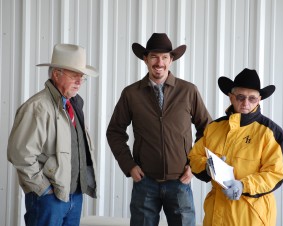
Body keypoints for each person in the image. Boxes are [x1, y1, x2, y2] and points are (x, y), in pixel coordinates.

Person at [106, 33, 212, 226]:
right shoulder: (131, 93)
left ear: (171, 60)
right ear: (145, 59)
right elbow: (114, 131)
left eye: (164, 57)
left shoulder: (188, 91)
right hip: (145, 182)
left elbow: (208, 131)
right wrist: (129, 165)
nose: (159, 62)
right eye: (154, 56)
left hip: (181, 181)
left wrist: (196, 166)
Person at [7, 44, 99, 226]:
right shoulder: (38, 107)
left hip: (73, 195)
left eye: (82, 77)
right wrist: (44, 189)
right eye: (74, 75)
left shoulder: (74, 105)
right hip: (49, 199)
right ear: (56, 74)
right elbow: (20, 155)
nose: (79, 81)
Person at [188, 68, 283, 226]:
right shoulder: (214, 128)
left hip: (252, 217)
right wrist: (207, 167)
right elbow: (194, 157)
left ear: (259, 99)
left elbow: (275, 174)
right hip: (215, 216)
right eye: (240, 97)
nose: (246, 103)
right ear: (231, 97)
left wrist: (243, 185)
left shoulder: (270, 133)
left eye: (252, 98)